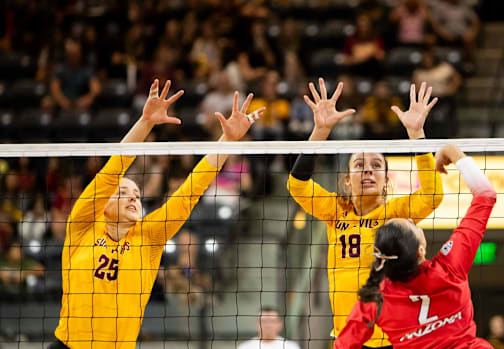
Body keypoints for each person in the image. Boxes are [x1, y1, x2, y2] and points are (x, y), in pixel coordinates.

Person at [48, 80, 264, 349]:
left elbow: (189, 192)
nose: (133, 197)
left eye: (137, 194)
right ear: (104, 204)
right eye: (124, 192)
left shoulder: (149, 236)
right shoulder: (83, 225)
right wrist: (145, 123)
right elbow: (112, 171)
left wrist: (227, 142)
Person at [288, 79, 443, 348]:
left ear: (386, 178)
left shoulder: (396, 213)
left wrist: (417, 134)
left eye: (375, 165)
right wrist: (320, 132)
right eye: (359, 165)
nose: (368, 170)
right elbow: (297, 186)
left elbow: (432, 195)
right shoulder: (336, 211)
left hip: (391, 339)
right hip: (348, 339)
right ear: (347, 180)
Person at [334, 143, 497, 349]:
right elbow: (485, 196)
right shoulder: (450, 269)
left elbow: (343, 346)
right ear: (421, 250)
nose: (411, 220)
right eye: (411, 223)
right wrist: (451, 151)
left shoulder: (375, 298)